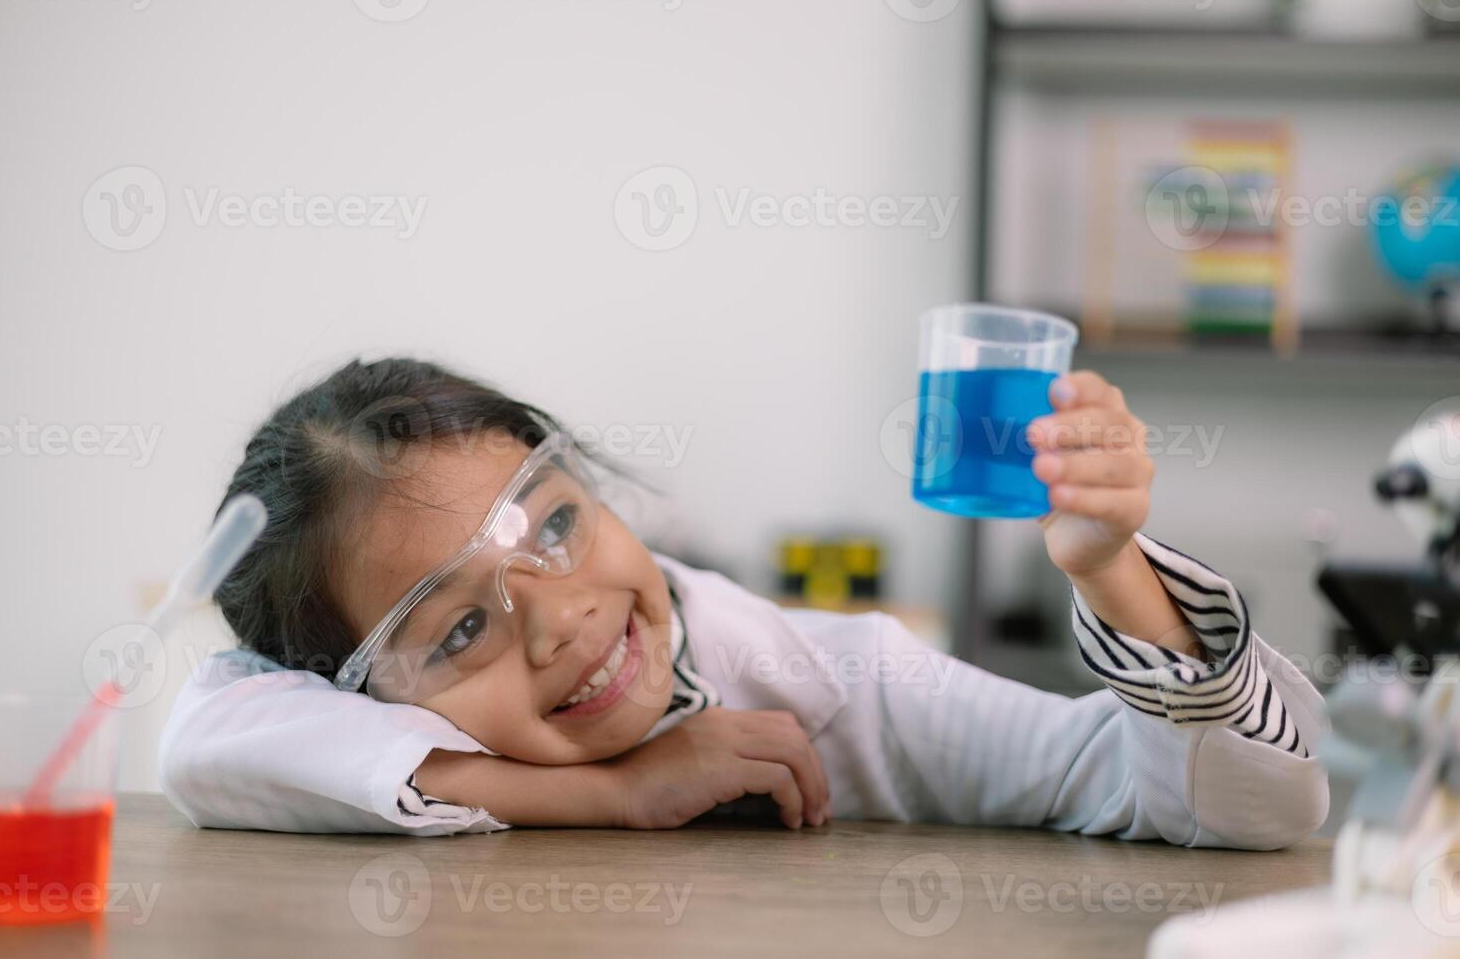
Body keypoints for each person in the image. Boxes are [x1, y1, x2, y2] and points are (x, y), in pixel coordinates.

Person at [159, 358, 1328, 847]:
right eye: (459, 627)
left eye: (555, 523)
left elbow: (1253, 810)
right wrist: (615, 792)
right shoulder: (319, 721)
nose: (559, 615)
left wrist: (1111, 567)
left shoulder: (826, 680)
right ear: (350, 685)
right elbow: (204, 738)